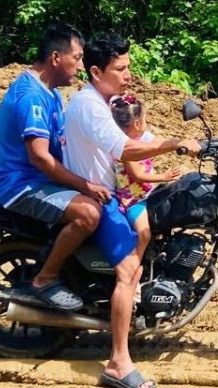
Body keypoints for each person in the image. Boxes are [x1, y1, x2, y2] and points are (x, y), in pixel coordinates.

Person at [63, 32, 202, 388]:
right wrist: (175, 145)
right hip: (100, 198)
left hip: (106, 192)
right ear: (96, 71)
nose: (127, 74)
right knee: (129, 269)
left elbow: (138, 136)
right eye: (120, 68)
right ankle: (118, 364)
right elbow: (127, 150)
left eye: (128, 67)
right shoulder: (91, 107)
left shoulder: (105, 103)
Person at [0, 23, 108, 312]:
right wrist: (84, 184)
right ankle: (45, 279)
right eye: (77, 58)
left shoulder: (51, 92)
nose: (81, 66)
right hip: (22, 185)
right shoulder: (32, 97)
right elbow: (40, 158)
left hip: (40, 180)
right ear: (56, 58)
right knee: (88, 213)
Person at [109, 94, 180, 254]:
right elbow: (137, 175)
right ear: (137, 123)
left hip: (149, 193)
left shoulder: (143, 139)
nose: (146, 123)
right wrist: (164, 177)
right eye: (145, 119)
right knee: (144, 234)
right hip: (134, 200)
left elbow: (160, 142)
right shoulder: (126, 148)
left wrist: (181, 143)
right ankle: (133, 267)